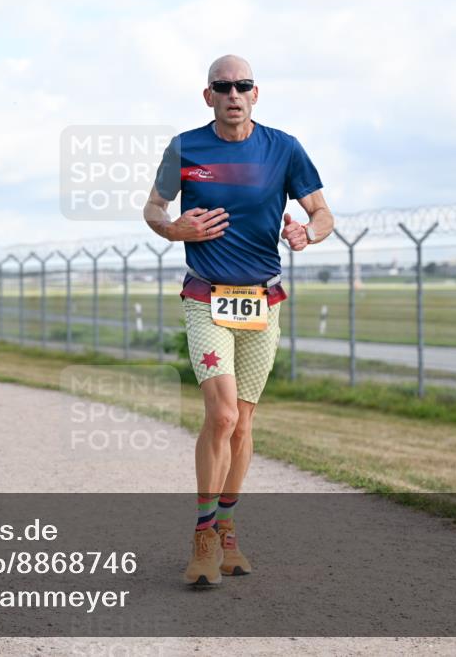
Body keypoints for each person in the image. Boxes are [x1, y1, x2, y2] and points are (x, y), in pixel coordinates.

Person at [143, 55, 333, 586]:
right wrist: (173, 229)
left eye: (242, 85)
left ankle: (228, 529)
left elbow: (322, 214)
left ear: (255, 93)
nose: (233, 94)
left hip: (262, 302)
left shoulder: (284, 148)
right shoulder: (186, 146)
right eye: (222, 86)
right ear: (208, 96)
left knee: (244, 423)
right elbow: (154, 208)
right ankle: (202, 537)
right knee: (222, 416)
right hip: (205, 299)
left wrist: (306, 234)